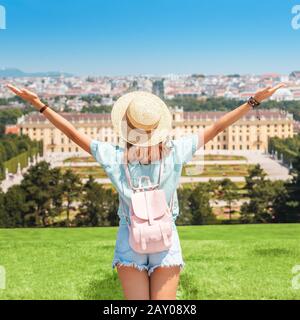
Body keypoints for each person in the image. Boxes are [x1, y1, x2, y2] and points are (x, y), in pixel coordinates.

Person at [6, 83, 285, 300]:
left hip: (130, 238)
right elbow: (216, 126)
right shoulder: (175, 154)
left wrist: (40, 106)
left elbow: (71, 133)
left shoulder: (114, 157)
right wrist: (253, 101)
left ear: (126, 128)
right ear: (159, 128)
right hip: (165, 238)